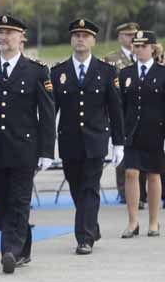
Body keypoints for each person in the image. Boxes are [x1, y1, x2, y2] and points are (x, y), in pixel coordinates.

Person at [0, 14, 55, 274]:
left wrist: (47, 150)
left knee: (19, 199)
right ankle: (23, 248)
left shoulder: (37, 71)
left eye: (10, 32)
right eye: (0, 32)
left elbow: (46, 114)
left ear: (21, 38)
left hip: (25, 148)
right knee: (3, 201)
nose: (3, 37)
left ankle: (9, 251)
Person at [50, 19, 124, 254]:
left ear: (93, 40)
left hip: (95, 140)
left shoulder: (106, 71)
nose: (80, 39)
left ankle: (84, 238)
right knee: (75, 185)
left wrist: (119, 142)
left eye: (85, 35)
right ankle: (91, 225)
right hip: (69, 140)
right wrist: (43, 142)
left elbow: (115, 109)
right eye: (76, 35)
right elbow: (52, 110)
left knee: (90, 186)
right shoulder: (58, 72)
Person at [118, 30, 164, 239]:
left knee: (154, 175)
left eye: (142, 46)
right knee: (131, 173)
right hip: (132, 131)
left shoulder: (162, 73)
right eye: (135, 46)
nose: (138, 50)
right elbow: (120, 106)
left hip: (155, 131)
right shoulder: (126, 74)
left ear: (153, 48)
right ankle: (132, 221)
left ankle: (153, 222)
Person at [103, 21, 140, 206]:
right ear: (119, 37)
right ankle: (124, 191)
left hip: (141, 110)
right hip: (121, 111)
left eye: (134, 35)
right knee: (123, 151)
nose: (131, 38)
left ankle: (141, 192)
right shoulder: (111, 59)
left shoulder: (143, 55)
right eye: (127, 35)